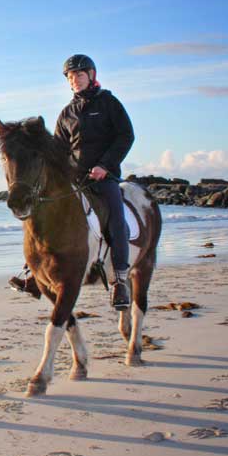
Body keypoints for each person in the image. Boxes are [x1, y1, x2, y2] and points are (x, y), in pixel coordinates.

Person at [54, 54, 135, 310]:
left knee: (115, 220)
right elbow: (58, 150)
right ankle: (32, 270)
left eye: (79, 75)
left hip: (104, 177)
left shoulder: (109, 103)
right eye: (70, 77)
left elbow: (126, 136)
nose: (75, 80)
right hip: (75, 180)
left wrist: (104, 165)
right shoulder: (66, 113)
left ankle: (120, 279)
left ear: (91, 76)